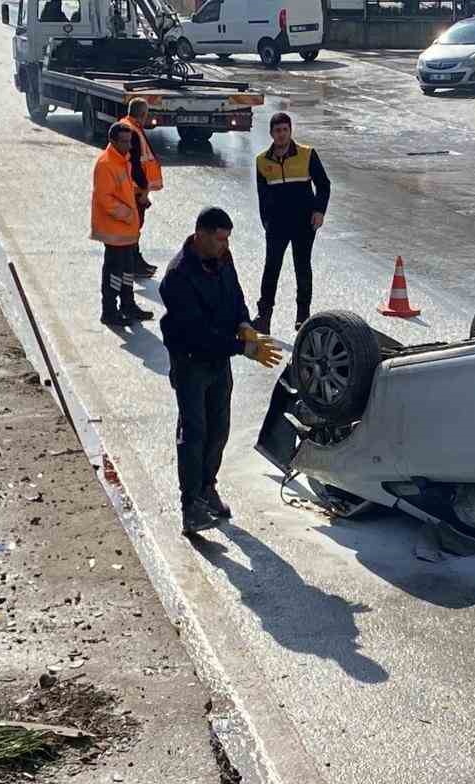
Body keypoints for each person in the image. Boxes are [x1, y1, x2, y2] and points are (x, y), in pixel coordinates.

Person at [159, 207, 283, 535]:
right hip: (191, 361)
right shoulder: (178, 276)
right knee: (194, 431)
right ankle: (191, 507)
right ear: (200, 235)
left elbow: (235, 296)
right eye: (219, 239)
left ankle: (207, 488)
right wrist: (244, 349)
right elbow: (197, 336)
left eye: (227, 239)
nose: (224, 246)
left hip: (219, 360)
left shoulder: (223, 259)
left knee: (219, 429)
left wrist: (244, 323)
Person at [254, 112, 331, 335]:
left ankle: (302, 317)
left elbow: (324, 185)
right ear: (271, 134)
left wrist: (319, 211)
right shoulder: (262, 161)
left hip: (303, 224)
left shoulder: (307, 154)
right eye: (277, 131)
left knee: (302, 267)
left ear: (290, 131)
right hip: (277, 225)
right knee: (271, 268)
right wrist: (266, 221)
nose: (281, 134)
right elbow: (263, 195)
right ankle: (264, 316)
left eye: (285, 130)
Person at [91, 122, 155, 326]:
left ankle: (127, 305)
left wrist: (138, 196)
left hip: (126, 231)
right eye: (125, 142)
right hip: (114, 231)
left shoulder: (122, 161)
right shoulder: (106, 164)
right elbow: (105, 199)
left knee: (127, 271)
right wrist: (128, 214)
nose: (129, 146)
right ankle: (109, 311)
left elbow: (123, 190)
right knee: (114, 273)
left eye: (130, 141)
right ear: (112, 141)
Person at [117, 98, 163, 278]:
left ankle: (134, 260)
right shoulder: (133, 132)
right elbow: (135, 164)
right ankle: (132, 263)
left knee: (132, 228)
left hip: (128, 189)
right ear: (143, 114)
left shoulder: (125, 125)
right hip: (134, 191)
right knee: (133, 228)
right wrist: (144, 189)